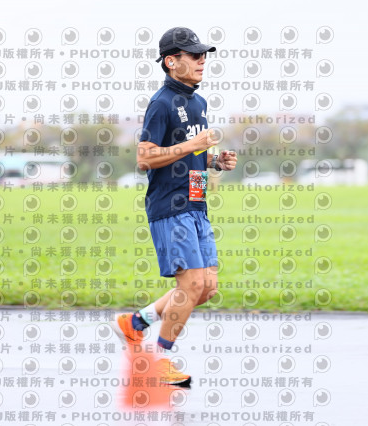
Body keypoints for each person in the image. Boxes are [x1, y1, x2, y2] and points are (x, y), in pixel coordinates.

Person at [111, 27, 237, 388]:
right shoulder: (161, 103)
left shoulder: (199, 103)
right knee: (191, 283)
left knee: (206, 287)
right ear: (171, 61)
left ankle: (134, 323)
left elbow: (188, 154)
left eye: (203, 55)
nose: (202, 61)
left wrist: (213, 160)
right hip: (170, 205)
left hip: (197, 204)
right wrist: (193, 145)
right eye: (194, 55)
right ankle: (158, 360)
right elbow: (145, 157)